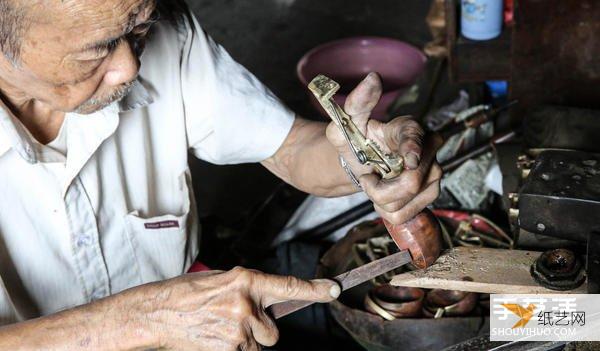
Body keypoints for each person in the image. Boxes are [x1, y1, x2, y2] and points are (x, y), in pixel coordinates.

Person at [0, 0, 442, 349]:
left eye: (137, 28)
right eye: (96, 49)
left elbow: (288, 147)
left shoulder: (158, 28)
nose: (130, 68)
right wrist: (138, 321)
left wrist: (359, 157)